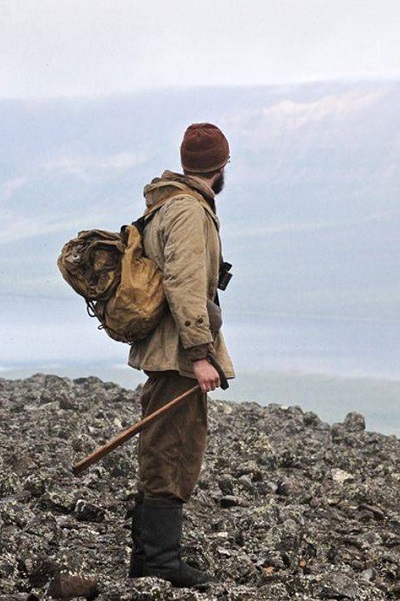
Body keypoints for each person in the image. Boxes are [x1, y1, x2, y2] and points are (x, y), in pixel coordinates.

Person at [125, 123, 235, 587]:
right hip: (177, 356)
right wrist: (200, 355)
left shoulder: (167, 203)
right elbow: (186, 286)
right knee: (173, 451)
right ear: (222, 167)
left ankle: (146, 560)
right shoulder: (188, 210)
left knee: (161, 448)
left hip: (168, 351)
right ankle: (161, 563)